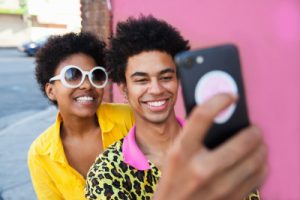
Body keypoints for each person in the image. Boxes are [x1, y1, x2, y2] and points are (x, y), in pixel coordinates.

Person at [85, 15, 267, 200]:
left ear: (178, 80)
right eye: (141, 80)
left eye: (166, 78)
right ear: (124, 89)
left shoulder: (218, 150)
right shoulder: (107, 173)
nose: (156, 89)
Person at [27, 32, 135, 200]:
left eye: (96, 76)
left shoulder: (128, 119)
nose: (87, 85)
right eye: (72, 75)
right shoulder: (40, 153)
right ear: (51, 90)